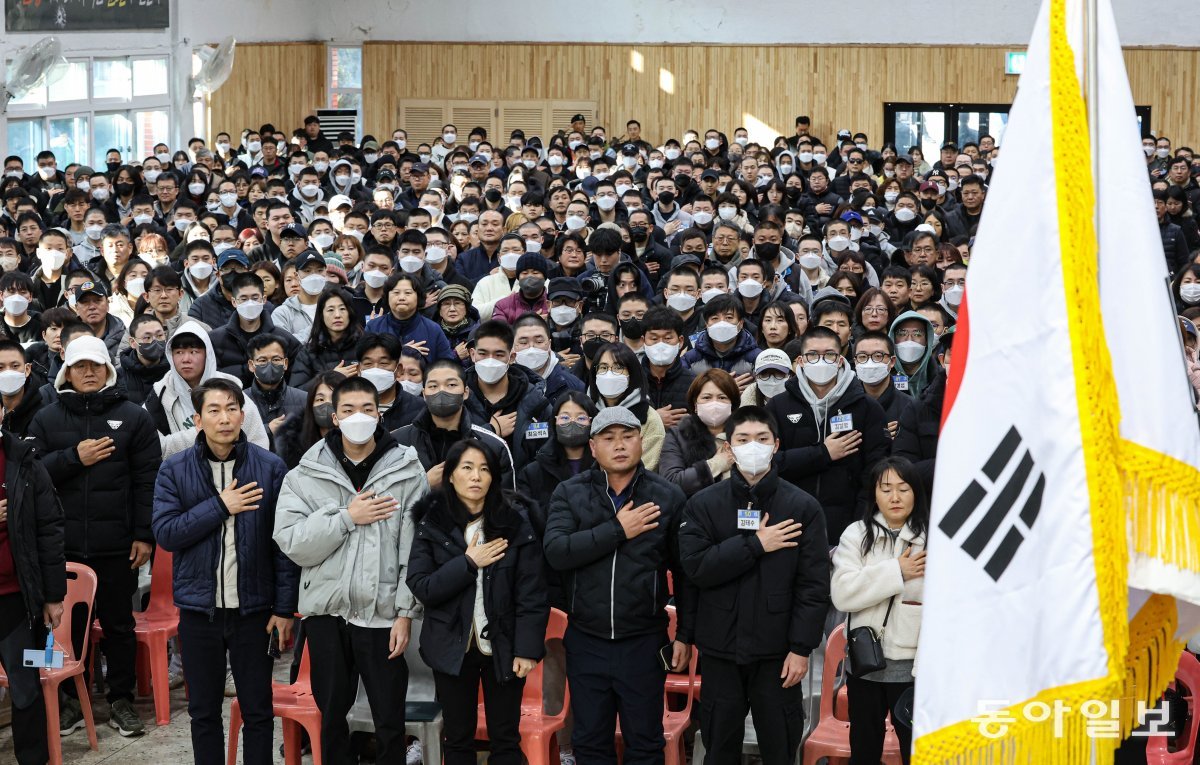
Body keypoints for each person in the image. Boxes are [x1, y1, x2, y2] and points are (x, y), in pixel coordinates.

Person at [274, 376, 429, 765]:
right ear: (334, 415)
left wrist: (405, 613)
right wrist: (347, 517)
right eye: (348, 410)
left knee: (390, 721)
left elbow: (417, 547)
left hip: (382, 615)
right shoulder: (305, 474)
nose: (358, 417)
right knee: (332, 717)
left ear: (380, 415)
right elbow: (292, 541)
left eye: (367, 409)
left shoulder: (408, 471)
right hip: (327, 614)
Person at [152, 378, 299, 765]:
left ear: (243, 414)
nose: (224, 418)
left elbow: (283, 546)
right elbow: (166, 534)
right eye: (213, 410)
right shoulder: (175, 469)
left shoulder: (270, 468)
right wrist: (221, 505)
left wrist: (284, 609)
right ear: (197, 420)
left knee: (257, 711)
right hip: (199, 612)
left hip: (254, 611)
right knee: (203, 712)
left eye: (231, 408)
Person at [542, 406, 696, 765]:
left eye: (628, 436)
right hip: (586, 639)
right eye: (609, 438)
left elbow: (686, 574)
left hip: (643, 641)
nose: (620, 445)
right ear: (593, 447)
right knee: (590, 743)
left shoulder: (667, 497)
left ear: (641, 442)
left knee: (644, 744)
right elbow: (556, 552)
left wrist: (686, 634)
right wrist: (617, 530)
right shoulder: (569, 492)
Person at [678, 406, 831, 765]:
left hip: (777, 652)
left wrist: (801, 647)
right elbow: (697, 568)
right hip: (720, 648)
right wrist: (756, 544)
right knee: (720, 744)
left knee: (780, 746)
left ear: (776, 445)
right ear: (728, 447)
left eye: (762, 439)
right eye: (743, 440)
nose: (753, 447)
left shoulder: (802, 506)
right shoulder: (703, 504)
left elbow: (813, 585)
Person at [27, 334, 162, 737]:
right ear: (66, 370)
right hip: (61, 549)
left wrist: (143, 533)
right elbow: (29, 477)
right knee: (60, 628)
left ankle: (121, 699)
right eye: (80, 366)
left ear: (108, 369)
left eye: (96, 366)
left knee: (120, 625)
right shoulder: (46, 418)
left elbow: (147, 481)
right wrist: (74, 458)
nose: (88, 372)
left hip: (118, 545)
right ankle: (68, 698)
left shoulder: (134, 417)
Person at [407, 439, 550, 765]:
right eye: (467, 468)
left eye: (484, 469)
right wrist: (468, 563)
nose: (476, 477)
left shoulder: (515, 522)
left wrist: (527, 648)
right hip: (450, 646)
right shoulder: (433, 522)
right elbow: (422, 586)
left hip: (504, 645)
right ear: (451, 476)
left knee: (506, 740)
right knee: (457, 740)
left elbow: (532, 592)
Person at [831, 457, 927, 765]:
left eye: (903, 488)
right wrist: (897, 571)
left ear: (917, 493)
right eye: (886, 489)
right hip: (865, 666)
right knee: (864, 751)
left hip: (914, 670)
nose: (895, 497)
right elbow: (843, 594)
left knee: (917, 753)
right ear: (874, 493)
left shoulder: (934, 538)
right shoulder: (856, 535)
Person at [767, 327, 889, 545]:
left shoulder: (867, 407)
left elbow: (874, 473)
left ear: (840, 359)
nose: (820, 361)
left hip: (849, 525)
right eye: (813, 355)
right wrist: (822, 453)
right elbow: (770, 463)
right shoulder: (778, 406)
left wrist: (860, 525)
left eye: (829, 355)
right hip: (789, 524)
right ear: (801, 361)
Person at [0, 419, 65, 765]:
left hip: (16, 599)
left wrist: (53, 596)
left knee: (25, 685)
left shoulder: (24, 460)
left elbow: (49, 529)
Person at [145, 321, 271, 457]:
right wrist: (200, 432)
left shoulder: (231, 391)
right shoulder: (160, 394)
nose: (186, 359)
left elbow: (258, 443)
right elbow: (151, 446)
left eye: (194, 352)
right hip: (183, 475)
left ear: (208, 354)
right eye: (179, 352)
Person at [392, 358, 515, 490]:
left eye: (451, 385)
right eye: (433, 386)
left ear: (466, 392)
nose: (441, 391)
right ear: (424, 394)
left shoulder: (492, 445)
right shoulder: (397, 441)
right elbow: (385, 497)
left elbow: (507, 503)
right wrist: (423, 484)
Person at [464, 319, 553, 470]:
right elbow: (452, 450)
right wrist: (490, 431)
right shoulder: (458, 399)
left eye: (498, 354)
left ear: (511, 357)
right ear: (473, 355)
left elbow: (547, 456)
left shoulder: (535, 402)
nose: (490, 361)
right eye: (483, 354)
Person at [209, 271, 300, 386]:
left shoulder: (284, 338)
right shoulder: (215, 339)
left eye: (255, 297)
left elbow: (298, 376)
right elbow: (211, 378)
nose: (250, 303)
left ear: (264, 299)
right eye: (244, 298)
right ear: (234, 302)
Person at [586, 342, 666, 471]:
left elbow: (647, 467)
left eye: (618, 368)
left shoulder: (649, 418)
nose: (609, 374)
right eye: (603, 367)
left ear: (631, 373)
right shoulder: (584, 413)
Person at [659, 369, 740, 495]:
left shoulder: (745, 434)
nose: (714, 403)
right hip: (693, 510)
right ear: (695, 404)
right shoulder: (678, 435)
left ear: (732, 404)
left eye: (722, 397)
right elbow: (670, 482)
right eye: (707, 397)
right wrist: (716, 464)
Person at [244, 333, 308, 463]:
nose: (270, 365)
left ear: (285, 363)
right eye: (262, 360)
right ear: (251, 365)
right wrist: (267, 429)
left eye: (276, 359)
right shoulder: (241, 400)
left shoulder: (304, 399)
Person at [365, 272, 456, 363]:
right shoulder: (373, 326)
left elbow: (446, 364)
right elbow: (366, 362)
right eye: (396, 293)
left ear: (418, 297)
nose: (401, 298)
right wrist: (403, 352)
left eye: (408, 293)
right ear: (387, 296)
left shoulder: (433, 329)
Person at [681, 294, 760, 383]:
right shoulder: (689, 359)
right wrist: (723, 388)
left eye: (729, 317)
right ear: (706, 324)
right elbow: (682, 390)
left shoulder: (757, 358)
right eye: (715, 318)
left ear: (741, 323)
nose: (722, 323)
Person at [853, 331, 917, 440]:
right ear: (855, 362)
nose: (870, 362)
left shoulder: (910, 406)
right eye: (862, 356)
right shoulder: (846, 405)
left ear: (892, 361)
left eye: (878, 356)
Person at [641, 305, 696, 430]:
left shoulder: (694, 383)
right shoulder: (631, 381)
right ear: (643, 341)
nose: (660, 344)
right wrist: (654, 419)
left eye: (667, 338)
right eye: (654, 338)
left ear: (680, 341)